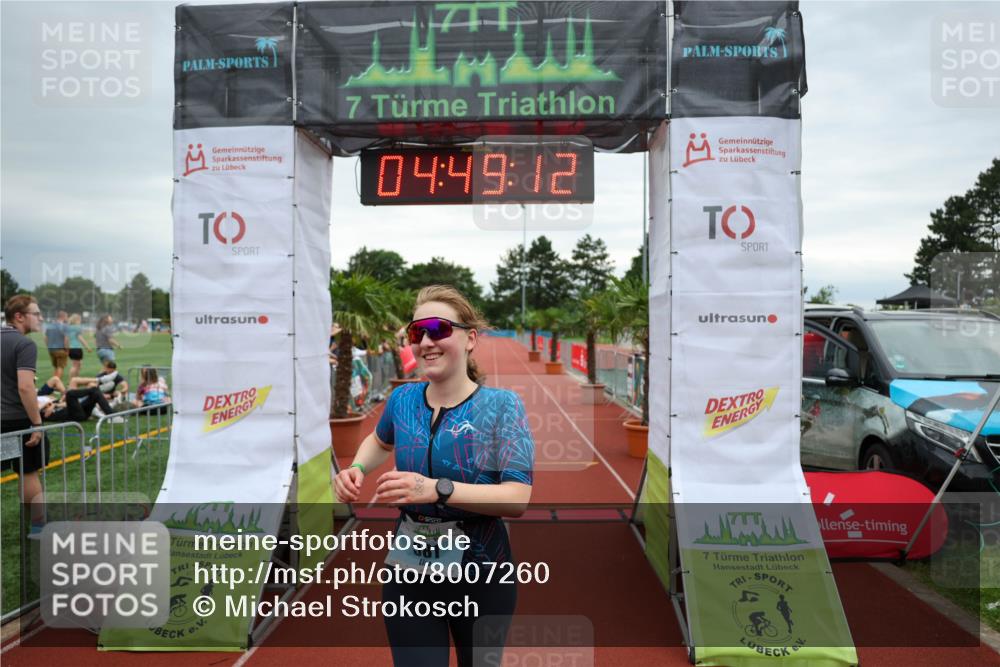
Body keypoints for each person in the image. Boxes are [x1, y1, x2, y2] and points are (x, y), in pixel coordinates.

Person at [334, 285, 535, 667]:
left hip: (482, 572)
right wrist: (357, 468)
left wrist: (436, 490)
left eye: (438, 329)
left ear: (470, 338)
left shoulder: (502, 407)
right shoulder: (403, 399)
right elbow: (379, 441)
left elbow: (517, 497)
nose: (426, 341)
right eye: (416, 332)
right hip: (409, 570)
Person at [1, 295, 49, 529]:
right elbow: (25, 386)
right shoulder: (24, 344)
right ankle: (39, 526)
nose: (40, 318)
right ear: (19, 316)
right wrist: (37, 423)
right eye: (36, 313)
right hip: (17, 421)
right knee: (27, 472)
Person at [65, 313, 92, 380]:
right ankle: (72, 381)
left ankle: (76, 379)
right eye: (79, 320)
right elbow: (80, 338)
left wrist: (66, 349)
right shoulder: (77, 328)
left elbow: (66, 339)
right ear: (76, 320)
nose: (80, 321)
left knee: (78, 364)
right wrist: (87, 347)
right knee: (75, 366)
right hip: (76, 348)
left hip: (71, 349)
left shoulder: (68, 328)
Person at [45, 310, 69, 383]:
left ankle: (51, 384)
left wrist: (48, 346)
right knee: (60, 367)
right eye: (66, 317)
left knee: (56, 367)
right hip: (60, 349)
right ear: (63, 317)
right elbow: (66, 339)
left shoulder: (50, 326)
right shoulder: (64, 326)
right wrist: (67, 349)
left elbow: (46, 338)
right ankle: (55, 385)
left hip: (51, 349)